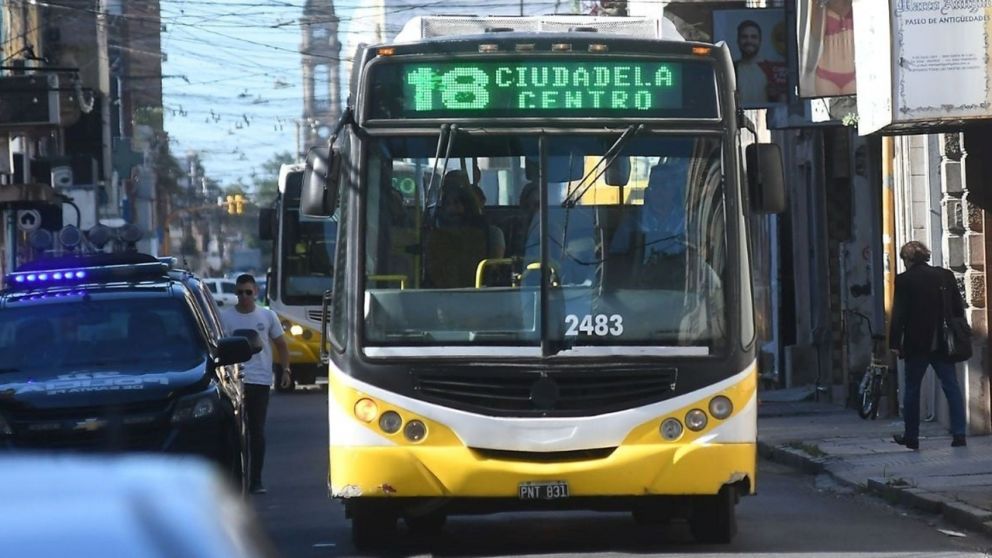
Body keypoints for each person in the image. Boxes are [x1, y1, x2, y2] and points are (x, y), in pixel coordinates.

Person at [889, 241, 967, 450]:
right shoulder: (945, 275)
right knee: (951, 387)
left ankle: (912, 436)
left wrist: (895, 342)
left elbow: (899, 314)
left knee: (912, 389)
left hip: (917, 343)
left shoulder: (904, 280)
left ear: (907, 259)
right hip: (943, 342)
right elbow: (957, 307)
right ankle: (959, 434)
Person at [220, 273, 291, 494]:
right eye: (240, 292)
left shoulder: (267, 316)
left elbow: (281, 345)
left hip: (260, 381)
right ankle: (233, 480)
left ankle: (256, 480)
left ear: (256, 293)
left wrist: (286, 370)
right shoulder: (225, 318)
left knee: (256, 431)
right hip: (234, 381)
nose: (244, 297)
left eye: (248, 292)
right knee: (233, 432)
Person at [734, 20, 770, 105]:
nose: (749, 41)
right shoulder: (731, 69)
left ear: (760, 41)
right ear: (738, 40)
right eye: (744, 37)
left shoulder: (770, 69)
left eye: (753, 37)